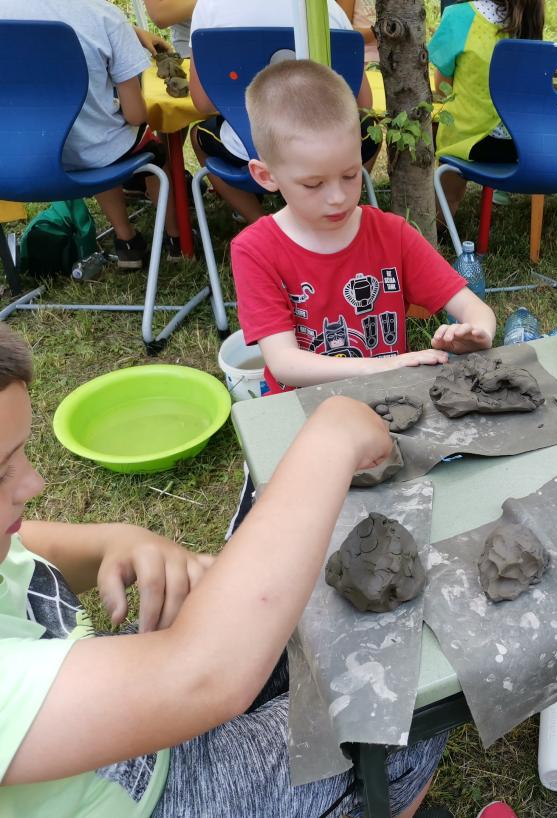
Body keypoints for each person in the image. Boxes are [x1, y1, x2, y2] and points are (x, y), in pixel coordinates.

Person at [0, 322, 446, 818]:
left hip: (105, 713)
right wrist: (331, 440)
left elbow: (25, 543)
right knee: (404, 711)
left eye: (21, 456)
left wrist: (111, 539)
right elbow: (203, 677)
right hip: (158, 797)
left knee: (301, 628)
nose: (32, 484)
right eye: (1, 472)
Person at [231, 59, 495, 394]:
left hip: (390, 400)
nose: (338, 197)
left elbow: (472, 306)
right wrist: (384, 366)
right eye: (313, 185)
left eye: (350, 174)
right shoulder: (255, 250)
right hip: (306, 410)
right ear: (266, 176)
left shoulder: (391, 233)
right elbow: (285, 363)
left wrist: (478, 331)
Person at [0, 0, 183, 266]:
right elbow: (135, 115)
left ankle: (126, 237)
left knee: (96, 139)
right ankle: (176, 238)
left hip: (16, 163)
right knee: (119, 142)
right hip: (95, 154)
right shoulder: (104, 15)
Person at [186, 0, 378, 225]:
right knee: (370, 129)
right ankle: (335, 209)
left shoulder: (209, 7)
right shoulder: (326, 8)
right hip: (330, 149)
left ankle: (261, 223)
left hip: (247, 150)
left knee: (199, 137)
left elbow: (203, 102)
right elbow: (363, 102)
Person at [429, 0, 544, 220]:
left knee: (444, 202)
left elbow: (443, 88)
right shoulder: (529, 19)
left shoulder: (459, 16)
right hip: (520, 146)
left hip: (471, 140)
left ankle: (442, 221)